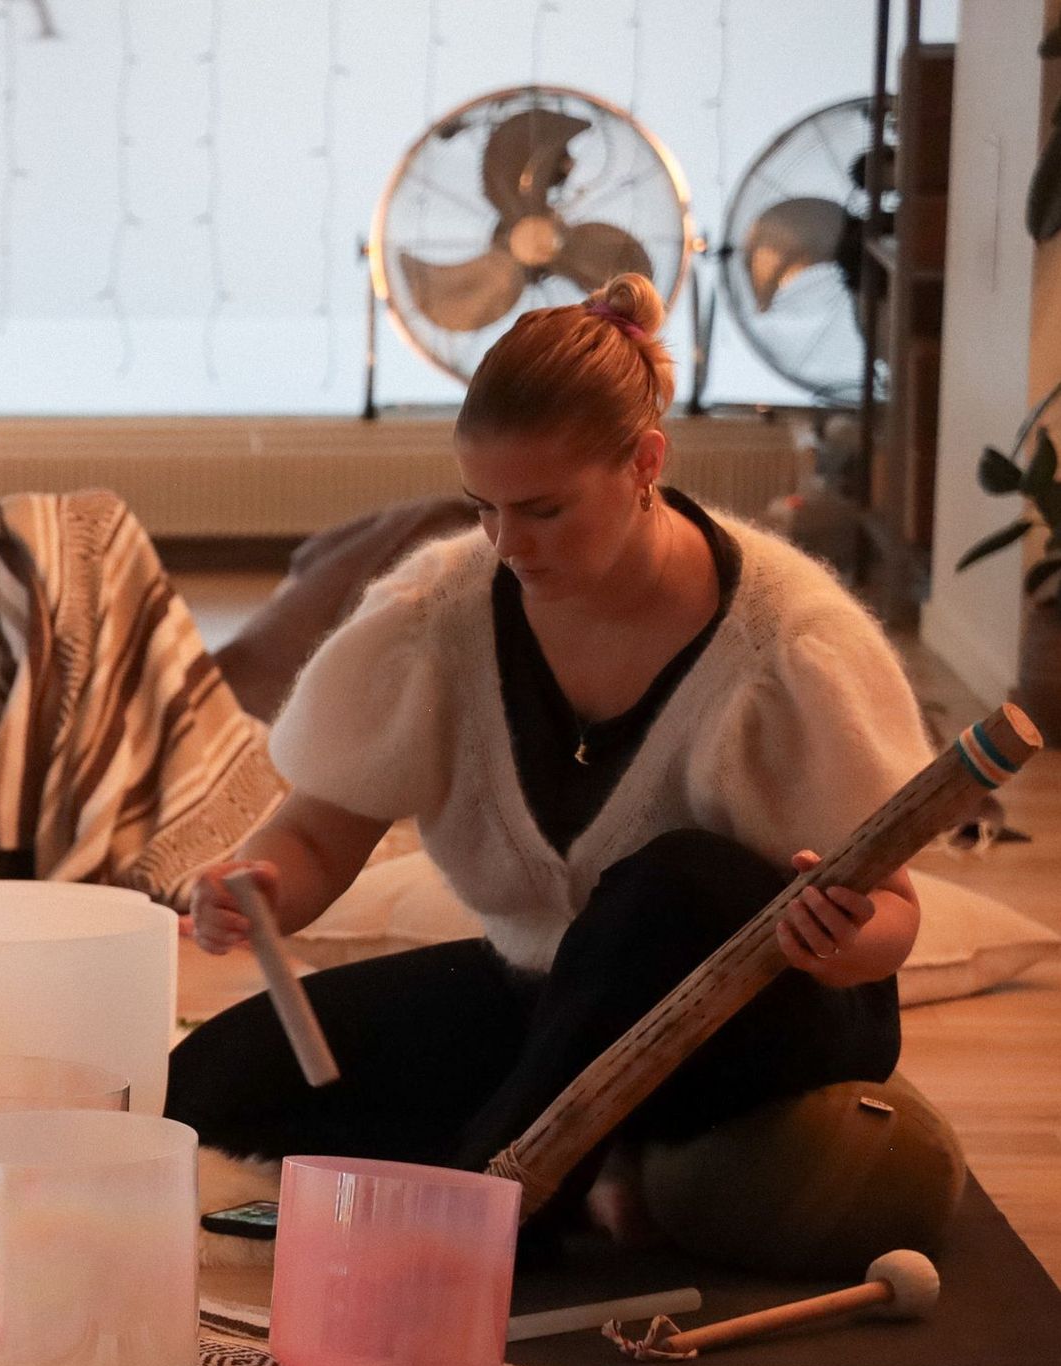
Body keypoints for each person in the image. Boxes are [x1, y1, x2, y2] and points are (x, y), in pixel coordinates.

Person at [165, 274, 933, 1222]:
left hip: (765, 1016)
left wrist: (846, 942)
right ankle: (532, 1160)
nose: (507, 541)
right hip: (551, 1003)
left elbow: (894, 917)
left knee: (675, 883)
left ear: (644, 461)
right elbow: (321, 836)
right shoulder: (444, 609)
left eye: (544, 510)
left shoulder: (790, 639)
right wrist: (257, 887)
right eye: (483, 507)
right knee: (209, 1081)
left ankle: (499, 1204)